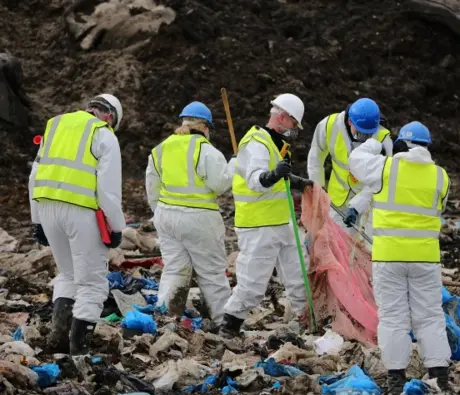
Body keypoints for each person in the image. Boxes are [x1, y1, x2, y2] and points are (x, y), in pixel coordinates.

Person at [349, 121, 452, 395]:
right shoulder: (441, 176)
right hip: (425, 258)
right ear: (427, 146)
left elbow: (355, 160)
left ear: (402, 144)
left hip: (389, 257)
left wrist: (377, 141)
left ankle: (396, 379)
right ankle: (439, 376)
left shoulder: (386, 167)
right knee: (430, 316)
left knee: (393, 318)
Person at [29, 93, 126, 355]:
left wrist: (36, 219)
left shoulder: (55, 125)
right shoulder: (103, 133)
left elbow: (35, 173)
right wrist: (116, 227)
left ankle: (58, 337)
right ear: (110, 116)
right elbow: (108, 191)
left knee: (68, 275)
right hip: (81, 212)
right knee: (92, 284)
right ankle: (79, 353)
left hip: (47, 207)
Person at [220, 93, 314, 338]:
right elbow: (256, 180)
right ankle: (229, 325)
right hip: (259, 225)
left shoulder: (277, 143)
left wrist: (295, 181)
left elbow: (278, 178)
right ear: (282, 117)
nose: (295, 130)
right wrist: (273, 175)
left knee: (299, 274)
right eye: (294, 124)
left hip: (283, 223)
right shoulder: (257, 143)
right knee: (253, 282)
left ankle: (307, 320)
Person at [146, 101, 235, 331]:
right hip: (199, 219)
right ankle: (224, 322)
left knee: (175, 269)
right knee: (212, 273)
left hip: (166, 216)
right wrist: (234, 166)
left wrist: (160, 214)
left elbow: (151, 186)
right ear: (206, 127)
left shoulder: (161, 148)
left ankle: (165, 318)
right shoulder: (205, 150)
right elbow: (220, 184)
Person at [307, 98, 393, 248]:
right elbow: (315, 158)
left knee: (370, 247)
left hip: (369, 198)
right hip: (338, 196)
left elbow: (382, 179)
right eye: (360, 133)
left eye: (368, 134)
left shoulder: (384, 139)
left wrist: (357, 205)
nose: (364, 138)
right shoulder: (329, 125)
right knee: (336, 244)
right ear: (349, 122)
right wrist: (317, 189)